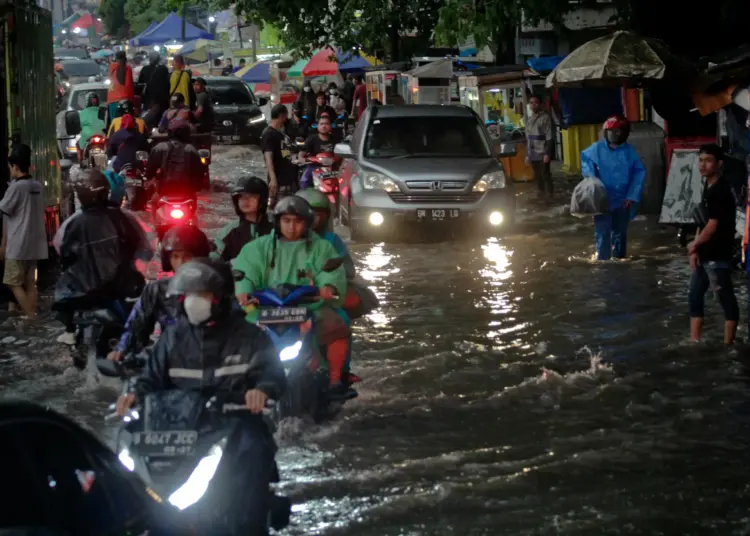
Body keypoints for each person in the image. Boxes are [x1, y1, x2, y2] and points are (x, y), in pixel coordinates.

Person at [115, 259, 285, 534]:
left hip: (234, 425)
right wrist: (134, 394)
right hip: (178, 428)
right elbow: (150, 379)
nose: (194, 302)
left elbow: (273, 374)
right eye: (190, 295)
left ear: (220, 298)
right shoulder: (172, 338)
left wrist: (261, 390)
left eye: (203, 295)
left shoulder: (249, 336)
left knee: (253, 454)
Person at [233, 196, 351, 392]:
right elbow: (245, 272)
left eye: (298, 221)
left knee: (338, 326)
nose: (291, 227)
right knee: (234, 327)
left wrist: (328, 288)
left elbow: (330, 273)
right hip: (263, 307)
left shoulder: (322, 247)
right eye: (286, 221)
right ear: (277, 221)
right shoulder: (257, 248)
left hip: (308, 308)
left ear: (307, 223)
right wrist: (243, 291)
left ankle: (335, 379)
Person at [53, 170, 151, 346]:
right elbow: (143, 247)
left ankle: (70, 331)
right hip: (119, 286)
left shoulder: (75, 222)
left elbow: (63, 251)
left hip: (84, 290)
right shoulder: (122, 217)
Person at [108, 226, 211, 361]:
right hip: (168, 361)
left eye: (187, 257)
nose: (180, 263)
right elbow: (137, 325)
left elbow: (234, 329)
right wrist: (122, 350)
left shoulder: (215, 289)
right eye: (175, 256)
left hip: (210, 361)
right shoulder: (157, 290)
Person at [688, 144, 739, 344]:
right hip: (705, 254)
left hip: (719, 254)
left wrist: (694, 244)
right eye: (700, 160)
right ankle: (694, 341)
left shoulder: (721, 190)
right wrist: (695, 249)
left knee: (725, 299)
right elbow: (703, 222)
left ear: (719, 164)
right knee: (694, 297)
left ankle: (729, 345)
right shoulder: (707, 187)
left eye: (708, 161)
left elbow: (713, 225)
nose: (703, 165)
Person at [580, 116, 646, 261]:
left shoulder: (629, 152)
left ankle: (619, 260)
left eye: (616, 132)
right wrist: (592, 179)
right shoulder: (597, 148)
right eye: (610, 132)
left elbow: (639, 173)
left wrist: (632, 195)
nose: (613, 135)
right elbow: (586, 160)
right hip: (602, 198)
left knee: (620, 233)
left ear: (624, 133)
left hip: (623, 200)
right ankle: (603, 261)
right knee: (602, 232)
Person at [0, 144, 48, 320]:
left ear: (15, 166)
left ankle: (31, 315)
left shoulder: (16, 188)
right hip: (35, 243)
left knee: (12, 282)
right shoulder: (37, 186)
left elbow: (5, 209)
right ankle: (30, 314)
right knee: (30, 283)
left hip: (18, 243)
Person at [213, 176, 273, 262]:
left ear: (262, 200)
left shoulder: (276, 228)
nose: (245, 200)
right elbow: (214, 260)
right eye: (241, 197)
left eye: (251, 197)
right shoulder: (228, 232)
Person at [148, 118, 202, 200]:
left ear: (170, 133)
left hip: (164, 190)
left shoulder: (159, 147)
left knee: (153, 202)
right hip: (186, 190)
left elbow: (150, 168)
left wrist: (149, 177)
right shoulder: (191, 149)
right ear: (187, 133)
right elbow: (198, 173)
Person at [260, 104, 298, 207]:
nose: (286, 120)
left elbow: (282, 152)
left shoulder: (280, 134)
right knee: (279, 210)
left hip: (287, 179)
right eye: (285, 117)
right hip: (279, 181)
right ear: (281, 116)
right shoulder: (269, 134)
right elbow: (268, 156)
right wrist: (273, 179)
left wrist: (293, 156)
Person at [526, 94, 555, 201]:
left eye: (536, 102)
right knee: (537, 176)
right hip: (533, 152)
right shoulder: (530, 119)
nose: (533, 105)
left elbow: (550, 137)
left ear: (540, 104)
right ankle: (541, 196)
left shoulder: (545, 118)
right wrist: (527, 154)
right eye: (531, 103)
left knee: (545, 174)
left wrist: (547, 153)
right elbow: (528, 138)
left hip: (543, 151)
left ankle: (550, 197)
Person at [299, 114, 336, 189]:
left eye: (326, 124)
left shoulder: (336, 139)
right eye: (321, 124)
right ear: (318, 126)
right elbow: (302, 152)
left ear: (331, 126)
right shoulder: (311, 139)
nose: (324, 126)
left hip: (332, 168)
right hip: (315, 167)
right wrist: (301, 158)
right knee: (304, 182)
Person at [138, 51, 170, 128]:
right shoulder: (164, 69)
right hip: (161, 101)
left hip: (148, 100)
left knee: (148, 120)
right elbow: (168, 84)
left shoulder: (145, 69)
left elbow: (140, 83)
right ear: (158, 59)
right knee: (160, 121)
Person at [107, 51, 134, 124]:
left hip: (111, 100)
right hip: (124, 100)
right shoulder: (127, 68)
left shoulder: (111, 68)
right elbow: (128, 85)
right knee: (125, 123)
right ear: (125, 59)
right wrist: (131, 100)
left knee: (114, 123)